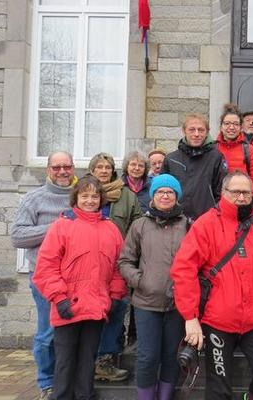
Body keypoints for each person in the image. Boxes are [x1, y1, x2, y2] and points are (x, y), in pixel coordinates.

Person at [171, 171, 253, 400]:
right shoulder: (206, 225)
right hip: (218, 321)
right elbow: (184, 271)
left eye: (247, 192)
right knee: (218, 389)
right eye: (236, 192)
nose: (242, 197)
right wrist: (190, 318)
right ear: (223, 193)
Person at [33, 175, 127, 400]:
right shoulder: (61, 227)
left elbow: (118, 266)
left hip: (96, 306)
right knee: (65, 361)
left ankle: (85, 396)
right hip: (69, 306)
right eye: (85, 196)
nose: (90, 200)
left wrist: (114, 295)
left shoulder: (111, 229)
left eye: (95, 196)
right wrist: (59, 297)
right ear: (76, 198)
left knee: (88, 359)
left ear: (101, 199)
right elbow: (46, 267)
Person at [11, 151, 76, 400]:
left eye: (67, 166)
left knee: (74, 333)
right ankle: (47, 382)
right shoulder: (33, 199)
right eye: (56, 167)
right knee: (48, 333)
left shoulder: (81, 197)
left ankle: (68, 380)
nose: (62, 171)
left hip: (77, 279)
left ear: (73, 169)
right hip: (45, 279)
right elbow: (18, 236)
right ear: (48, 169)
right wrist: (56, 227)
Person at [118, 174, 188, 400]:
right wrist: (141, 280)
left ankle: (165, 396)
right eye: (160, 192)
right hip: (146, 303)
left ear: (176, 197)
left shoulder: (188, 225)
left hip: (177, 304)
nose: (165, 195)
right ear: (152, 196)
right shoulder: (140, 225)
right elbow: (125, 261)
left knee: (171, 356)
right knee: (147, 356)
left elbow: (198, 262)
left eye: (170, 192)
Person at [88, 152, 143, 382]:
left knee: (117, 309)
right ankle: (85, 362)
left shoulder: (127, 196)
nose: (103, 171)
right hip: (88, 263)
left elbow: (137, 226)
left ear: (113, 170)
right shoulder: (85, 194)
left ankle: (105, 360)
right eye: (99, 167)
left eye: (107, 167)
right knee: (90, 313)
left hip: (116, 264)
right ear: (92, 170)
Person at [162, 113, 227, 220]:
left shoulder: (216, 158)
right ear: (184, 131)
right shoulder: (171, 159)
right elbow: (161, 191)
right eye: (192, 129)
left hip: (206, 220)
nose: (196, 134)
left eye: (201, 130)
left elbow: (222, 191)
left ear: (207, 132)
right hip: (175, 219)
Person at [216, 104, 253, 196]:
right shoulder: (213, 149)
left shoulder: (249, 149)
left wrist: (245, 196)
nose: (231, 127)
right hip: (218, 203)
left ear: (241, 128)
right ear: (221, 127)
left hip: (242, 203)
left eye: (236, 124)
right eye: (227, 123)